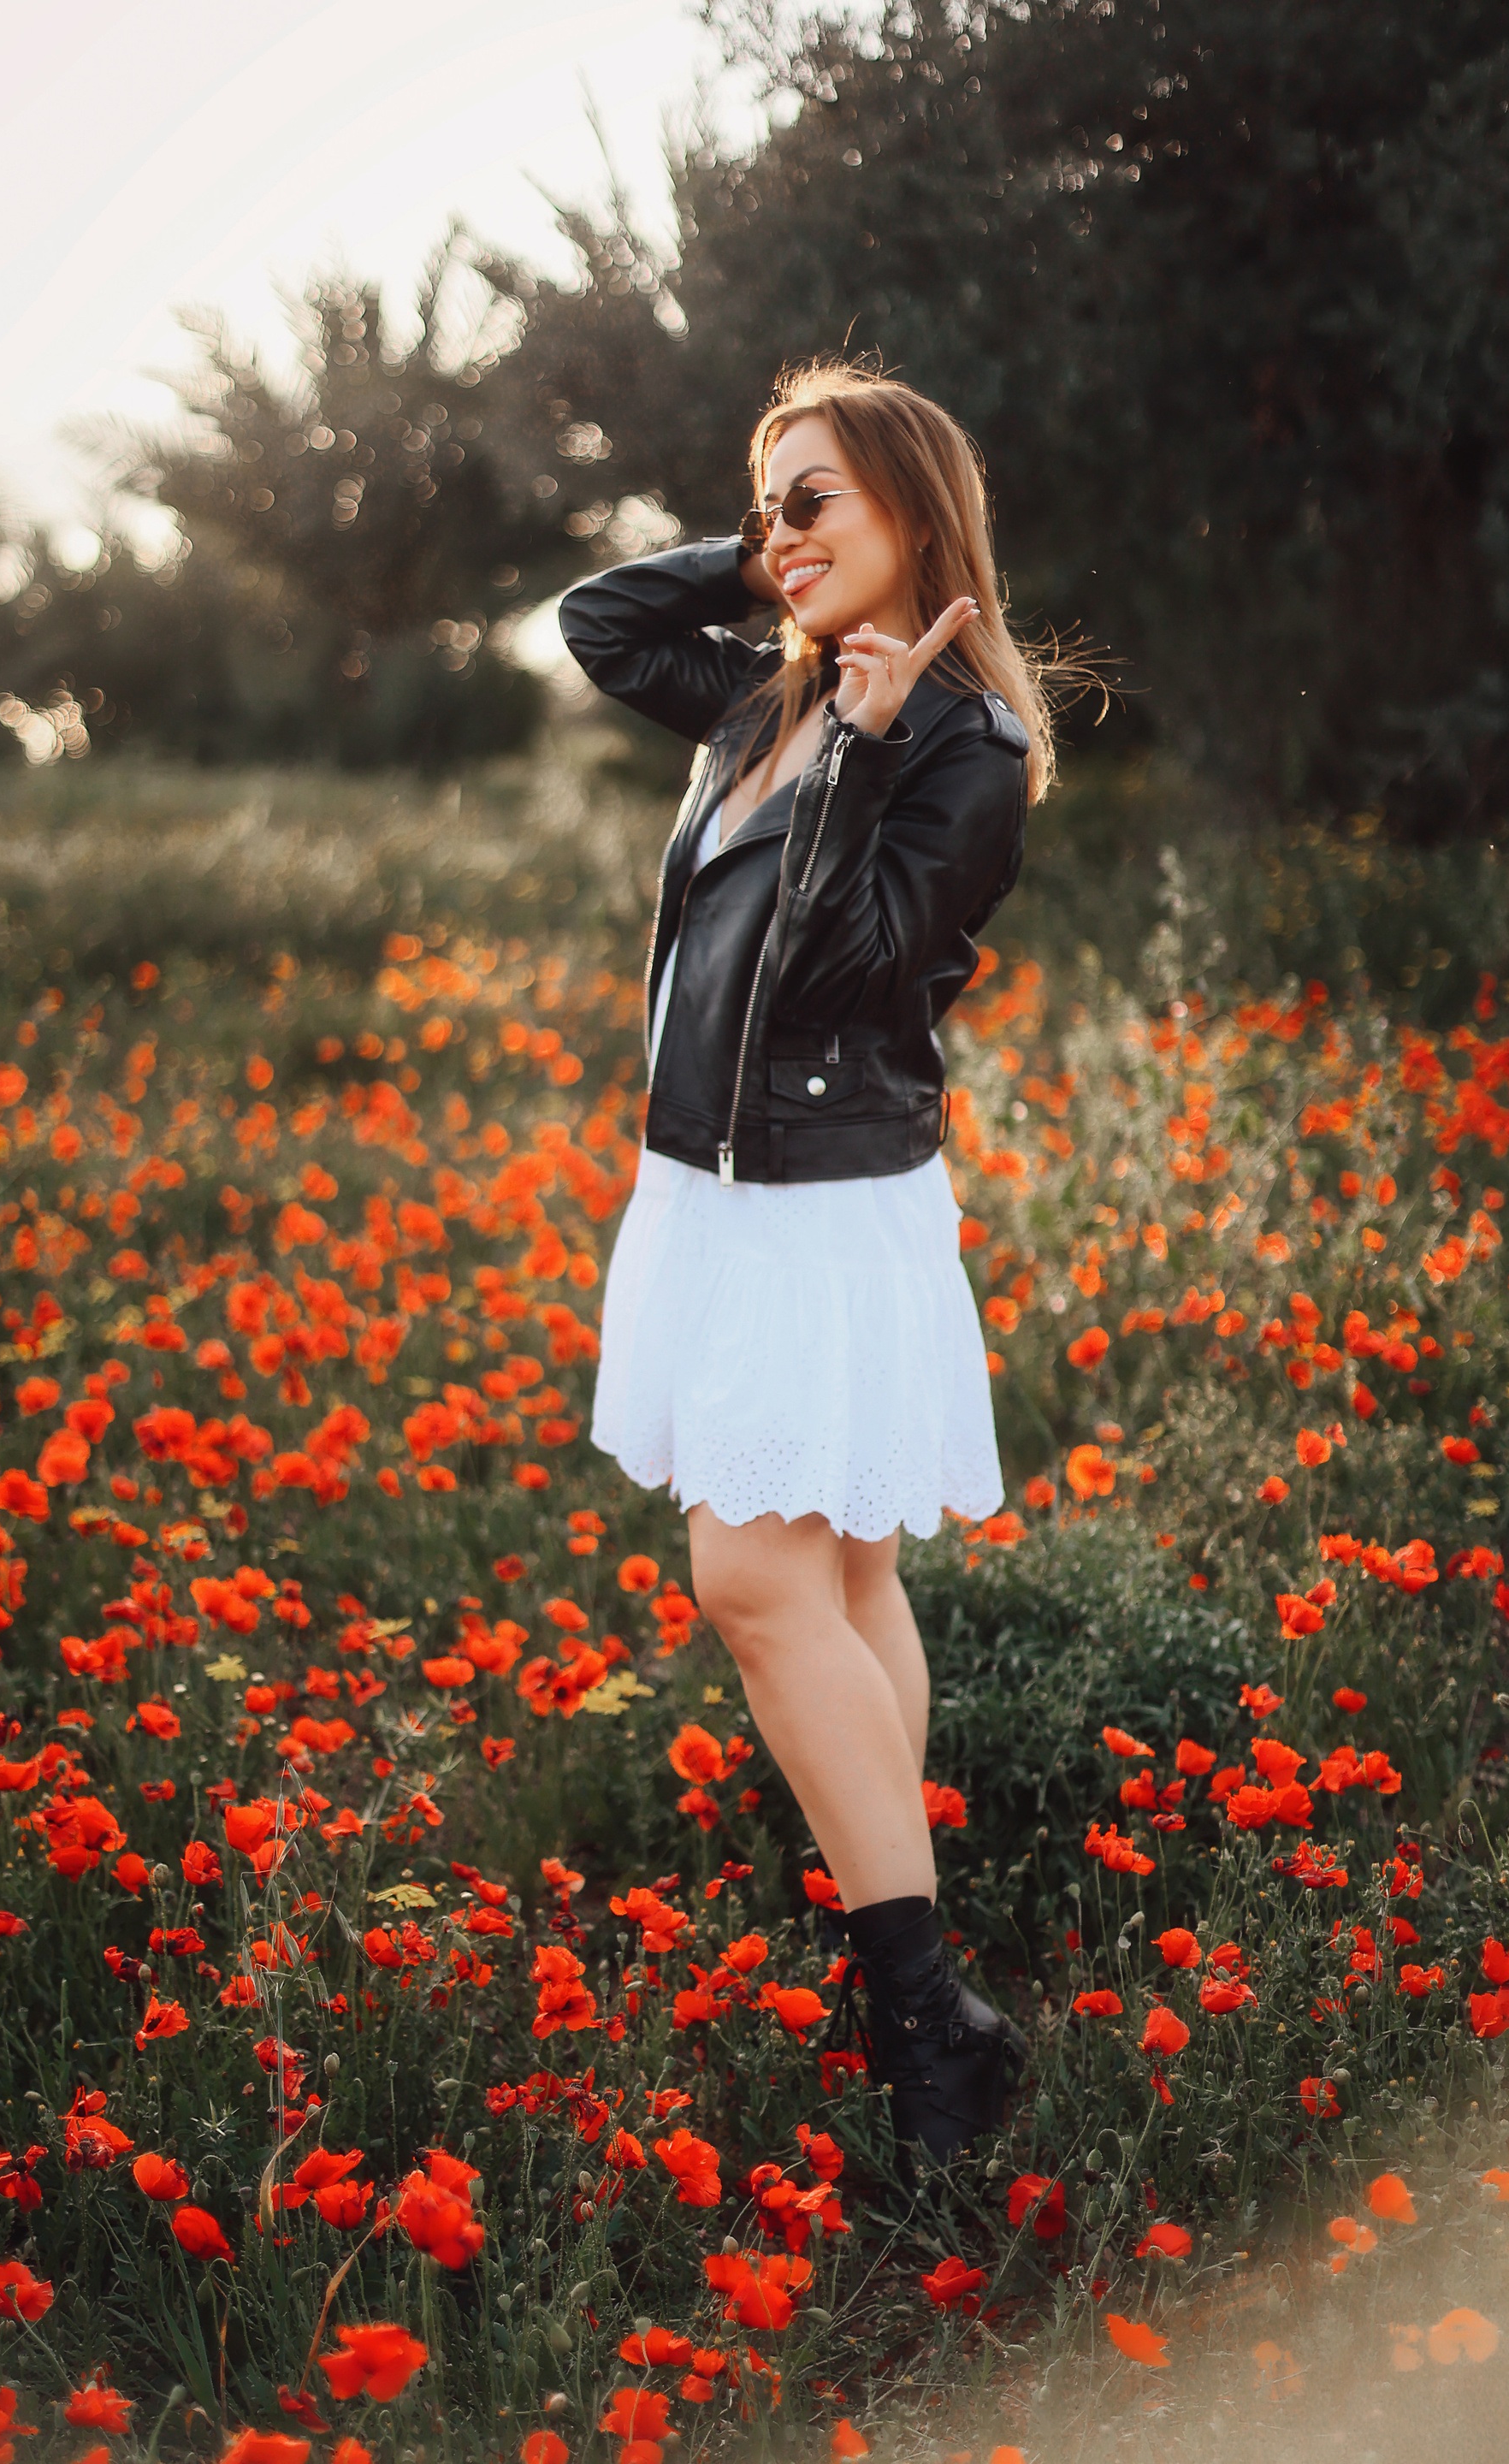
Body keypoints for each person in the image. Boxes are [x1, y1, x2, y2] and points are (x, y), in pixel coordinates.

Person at [559, 359, 1056, 2169]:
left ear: (915, 509)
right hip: (710, 1190)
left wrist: (865, 736)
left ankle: (930, 2022)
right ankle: (891, 1914)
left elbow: (847, 958)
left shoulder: (964, 746)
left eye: (816, 499)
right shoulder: (761, 692)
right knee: (843, 1581)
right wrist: (775, 554)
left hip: (819, 1209)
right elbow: (600, 623)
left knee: (757, 1584)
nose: (780, 534)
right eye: (764, 504)